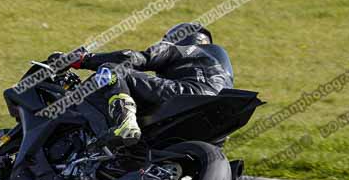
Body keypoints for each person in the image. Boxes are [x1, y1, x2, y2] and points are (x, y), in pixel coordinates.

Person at [70, 23, 234, 144]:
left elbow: (131, 58)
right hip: (220, 114)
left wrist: (83, 59)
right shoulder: (218, 66)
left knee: (113, 69)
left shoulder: (182, 49)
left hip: (186, 94)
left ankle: (125, 121)